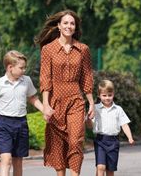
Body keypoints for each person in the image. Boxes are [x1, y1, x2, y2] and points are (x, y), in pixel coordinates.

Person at [34, 10, 95, 176]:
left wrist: (91, 103)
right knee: (57, 144)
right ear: (59, 26)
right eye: (66, 23)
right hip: (55, 101)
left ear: (75, 27)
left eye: (72, 23)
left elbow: (87, 77)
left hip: (76, 100)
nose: (69, 26)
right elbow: (45, 78)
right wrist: (45, 105)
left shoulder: (83, 49)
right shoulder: (48, 49)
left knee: (76, 141)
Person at [0, 50, 45, 176]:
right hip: (4, 124)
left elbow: (32, 98)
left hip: (21, 123)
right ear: (10, 67)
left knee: (18, 161)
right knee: (7, 159)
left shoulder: (26, 81)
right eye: (21, 68)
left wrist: (44, 110)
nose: (24, 70)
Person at [87, 79, 134, 176]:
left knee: (110, 170)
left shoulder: (118, 109)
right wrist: (88, 119)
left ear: (113, 94)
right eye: (104, 95)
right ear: (99, 95)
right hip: (100, 140)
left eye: (109, 95)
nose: (107, 98)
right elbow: (89, 126)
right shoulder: (95, 108)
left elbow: (124, 124)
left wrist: (130, 137)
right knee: (100, 167)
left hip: (113, 142)